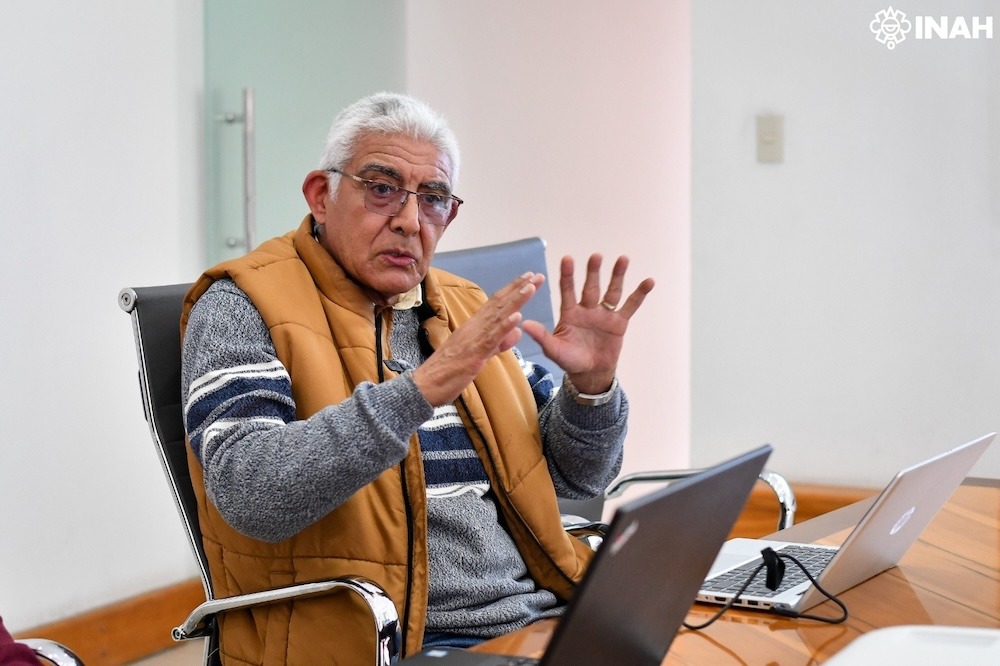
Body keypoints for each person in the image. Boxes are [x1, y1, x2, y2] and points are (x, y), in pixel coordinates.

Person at [180, 91, 655, 665]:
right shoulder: (241, 304)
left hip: (538, 620)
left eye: (432, 199)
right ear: (322, 196)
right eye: (381, 189)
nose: (409, 221)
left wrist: (591, 389)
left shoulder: (462, 304)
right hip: (393, 642)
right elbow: (252, 495)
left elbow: (578, 477)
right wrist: (423, 389)